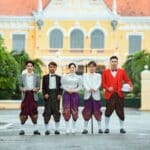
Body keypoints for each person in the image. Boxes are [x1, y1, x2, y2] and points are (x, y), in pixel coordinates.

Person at [102, 56, 133, 134]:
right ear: (110, 62)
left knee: (120, 111)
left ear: (117, 62)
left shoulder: (122, 71)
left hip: (119, 95)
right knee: (108, 111)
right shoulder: (105, 72)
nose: (114, 63)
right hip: (109, 95)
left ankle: (122, 128)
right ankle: (106, 127)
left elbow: (127, 80)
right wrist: (108, 88)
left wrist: (130, 86)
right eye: (112, 61)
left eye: (115, 61)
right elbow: (103, 83)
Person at [19, 60, 40, 135]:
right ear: (26, 67)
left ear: (33, 67)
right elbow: (20, 86)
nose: (29, 67)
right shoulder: (22, 76)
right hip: (25, 95)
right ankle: (22, 129)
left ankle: (35, 129)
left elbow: (38, 86)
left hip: (33, 95)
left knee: (34, 111)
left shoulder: (36, 76)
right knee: (24, 111)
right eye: (28, 66)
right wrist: (22, 89)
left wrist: (36, 89)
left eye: (31, 66)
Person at [82, 61, 103, 134]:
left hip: (96, 95)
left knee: (97, 111)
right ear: (88, 67)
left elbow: (99, 83)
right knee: (86, 111)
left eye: (93, 66)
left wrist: (95, 88)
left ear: (95, 67)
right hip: (87, 95)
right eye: (90, 66)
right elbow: (84, 83)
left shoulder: (98, 75)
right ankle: (85, 128)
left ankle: (100, 128)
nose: (91, 68)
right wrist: (88, 89)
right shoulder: (84, 75)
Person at [42, 62, 62, 135]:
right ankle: (46, 129)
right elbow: (43, 88)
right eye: (50, 67)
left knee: (56, 112)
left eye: (53, 67)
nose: (52, 68)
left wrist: (60, 94)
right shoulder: (45, 77)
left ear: (56, 68)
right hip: (48, 95)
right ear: (49, 68)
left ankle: (57, 129)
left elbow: (61, 87)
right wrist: (45, 94)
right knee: (47, 112)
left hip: (56, 96)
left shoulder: (59, 77)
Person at [61, 63, 82, 134]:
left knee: (74, 111)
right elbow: (63, 85)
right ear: (69, 68)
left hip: (75, 95)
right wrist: (68, 90)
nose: (72, 69)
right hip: (66, 94)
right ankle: (67, 128)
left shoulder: (79, 77)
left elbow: (80, 87)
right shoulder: (65, 76)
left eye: (73, 67)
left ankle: (73, 127)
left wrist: (73, 90)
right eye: (71, 67)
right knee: (66, 110)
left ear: (75, 68)